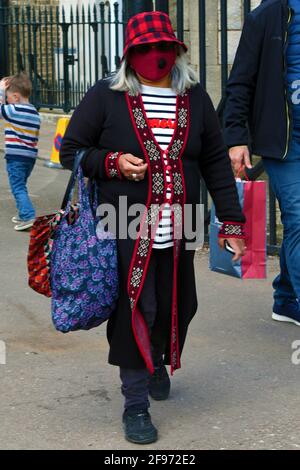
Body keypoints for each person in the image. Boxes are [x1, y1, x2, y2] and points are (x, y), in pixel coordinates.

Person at [60, 11, 246, 445]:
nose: (155, 56)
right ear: (130, 54)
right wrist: (111, 162)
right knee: (135, 310)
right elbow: (71, 149)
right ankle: (135, 403)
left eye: (164, 47)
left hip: (180, 225)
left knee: (174, 305)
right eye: (144, 49)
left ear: (178, 51)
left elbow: (216, 161)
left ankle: (157, 359)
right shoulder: (107, 95)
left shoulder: (195, 99)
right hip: (121, 225)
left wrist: (232, 221)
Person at [224, 0, 300, 328]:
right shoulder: (267, 16)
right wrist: (237, 137)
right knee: (299, 219)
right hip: (286, 143)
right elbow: (240, 82)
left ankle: (285, 299)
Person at [0, 72, 40, 231]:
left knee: (17, 187)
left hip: (16, 157)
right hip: (29, 158)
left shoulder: (15, 111)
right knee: (20, 185)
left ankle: (28, 215)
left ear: (16, 97)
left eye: (8, 97)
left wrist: (1, 89)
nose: (6, 100)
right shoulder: (34, 112)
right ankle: (23, 213)